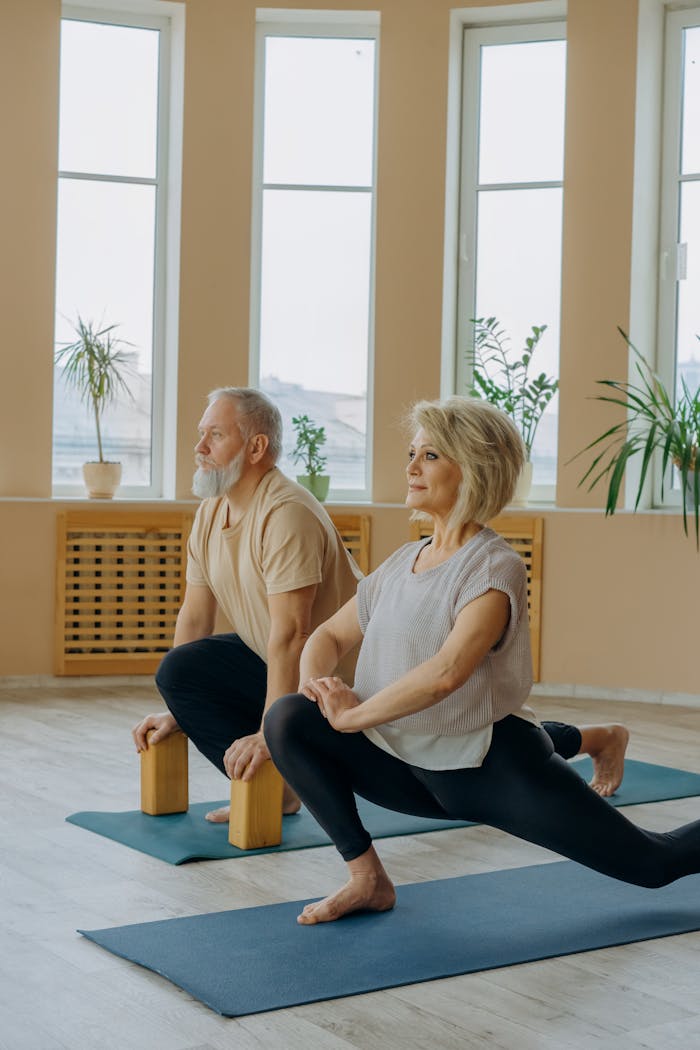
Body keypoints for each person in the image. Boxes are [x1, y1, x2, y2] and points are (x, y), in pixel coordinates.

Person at [263, 396, 700, 925]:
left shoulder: (493, 567)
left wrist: (351, 715)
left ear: (471, 469)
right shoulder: (405, 560)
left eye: (429, 456)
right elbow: (329, 634)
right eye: (412, 453)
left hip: (486, 769)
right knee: (288, 717)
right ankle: (367, 878)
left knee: (655, 863)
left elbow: (448, 674)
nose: (411, 467)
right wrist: (318, 689)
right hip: (401, 762)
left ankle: (598, 739)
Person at [132, 387, 363, 820]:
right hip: (278, 658)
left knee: (272, 656)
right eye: (202, 434)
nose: (200, 448)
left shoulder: (286, 513)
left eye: (215, 436)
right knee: (180, 671)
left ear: (257, 447)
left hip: (340, 680)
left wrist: (267, 735)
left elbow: (294, 635)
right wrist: (177, 710)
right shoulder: (211, 512)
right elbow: (196, 614)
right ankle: (277, 782)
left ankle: (284, 783)